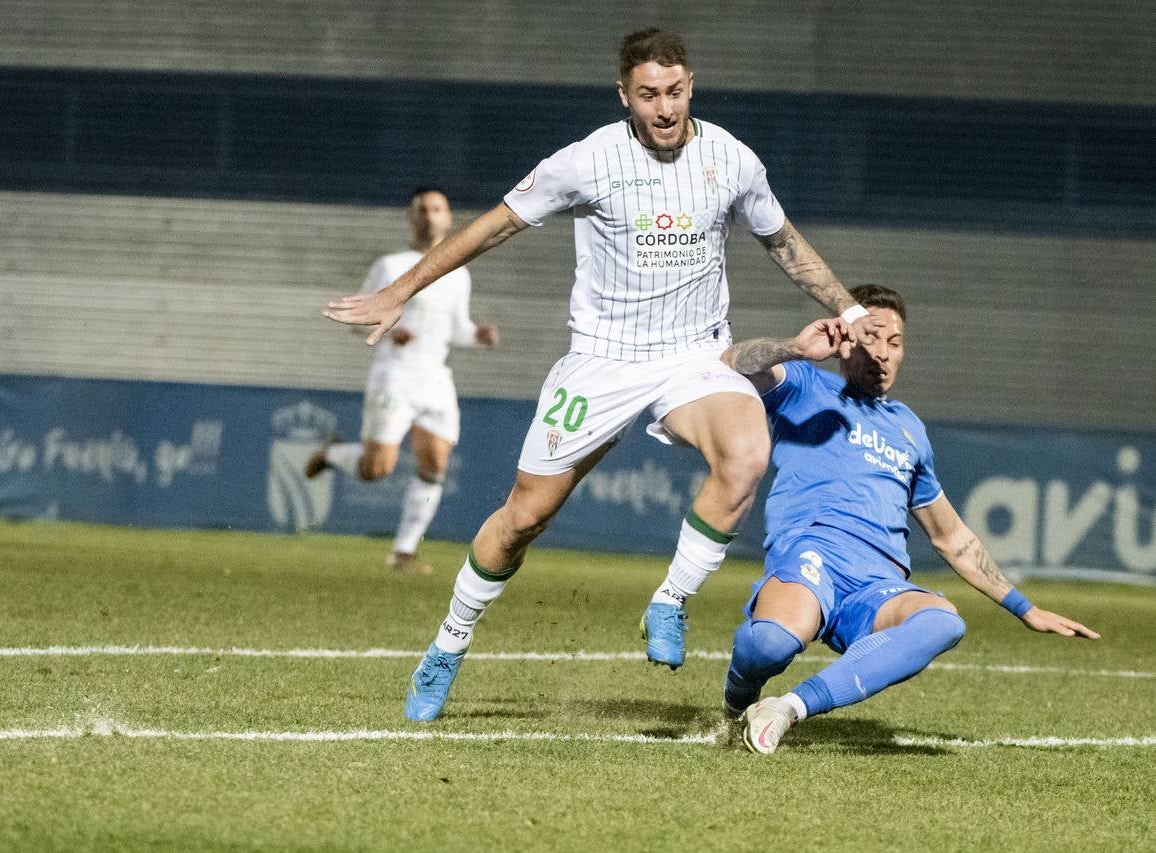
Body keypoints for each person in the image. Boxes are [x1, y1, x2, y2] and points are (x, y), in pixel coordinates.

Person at [325, 28, 879, 722]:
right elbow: (493, 225)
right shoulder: (586, 161)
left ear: (690, 87)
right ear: (624, 96)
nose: (664, 108)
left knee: (745, 454)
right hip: (602, 361)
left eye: (674, 92)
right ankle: (449, 642)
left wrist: (851, 309)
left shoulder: (732, 160)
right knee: (524, 518)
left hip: (693, 357)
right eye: (648, 95)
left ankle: (669, 601)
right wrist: (400, 289)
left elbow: (784, 242)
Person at [719, 284, 1100, 754]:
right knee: (770, 645)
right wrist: (795, 348)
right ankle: (737, 698)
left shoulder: (909, 429)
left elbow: (951, 536)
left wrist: (1026, 608)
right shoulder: (804, 384)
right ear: (846, 339)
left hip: (877, 584)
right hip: (813, 555)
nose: (883, 353)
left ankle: (789, 708)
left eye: (894, 342)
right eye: (871, 337)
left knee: (943, 623)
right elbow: (730, 363)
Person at [306, 187, 500, 575]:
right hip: (395, 375)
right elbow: (358, 317)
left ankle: (404, 552)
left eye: (437, 208)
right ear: (410, 217)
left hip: (435, 377)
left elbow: (455, 329)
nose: (429, 215)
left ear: (449, 217)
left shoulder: (458, 273)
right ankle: (333, 453)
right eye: (421, 209)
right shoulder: (390, 265)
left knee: (436, 462)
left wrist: (477, 335)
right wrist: (390, 332)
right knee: (375, 470)